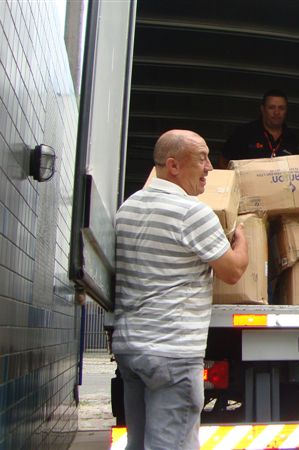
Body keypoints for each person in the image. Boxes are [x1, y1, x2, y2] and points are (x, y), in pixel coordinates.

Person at [112, 129, 249, 449]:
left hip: (131, 351)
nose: (210, 168)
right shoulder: (191, 212)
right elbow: (232, 271)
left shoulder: (128, 208)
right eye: (202, 159)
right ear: (173, 166)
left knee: (138, 442)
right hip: (172, 352)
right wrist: (243, 240)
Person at [219, 89, 299, 167]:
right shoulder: (244, 132)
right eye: (271, 107)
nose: (276, 112)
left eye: (281, 108)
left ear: (286, 110)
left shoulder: (291, 138)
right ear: (263, 109)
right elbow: (223, 161)